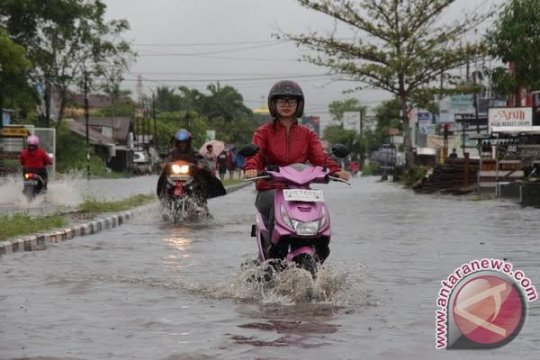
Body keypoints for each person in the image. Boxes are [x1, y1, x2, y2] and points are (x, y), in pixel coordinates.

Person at [243, 80, 350, 251]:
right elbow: (255, 155)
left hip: (300, 191)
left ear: (298, 105)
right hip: (270, 189)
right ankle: (273, 251)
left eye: (291, 101)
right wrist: (251, 168)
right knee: (274, 202)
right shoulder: (263, 132)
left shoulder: (307, 134)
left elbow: (320, 159)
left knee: (319, 207)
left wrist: (336, 171)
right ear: (273, 104)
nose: (286, 105)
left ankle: (320, 245)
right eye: (281, 101)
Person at [156, 129, 218, 209]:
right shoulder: (173, 152)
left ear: (188, 142)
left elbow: (201, 159)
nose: (183, 144)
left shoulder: (193, 151)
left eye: (184, 142)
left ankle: (203, 206)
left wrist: (201, 164)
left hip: (191, 174)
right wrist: (164, 164)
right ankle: (162, 196)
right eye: (181, 142)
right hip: (175, 174)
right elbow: (167, 159)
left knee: (200, 182)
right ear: (177, 143)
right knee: (163, 177)